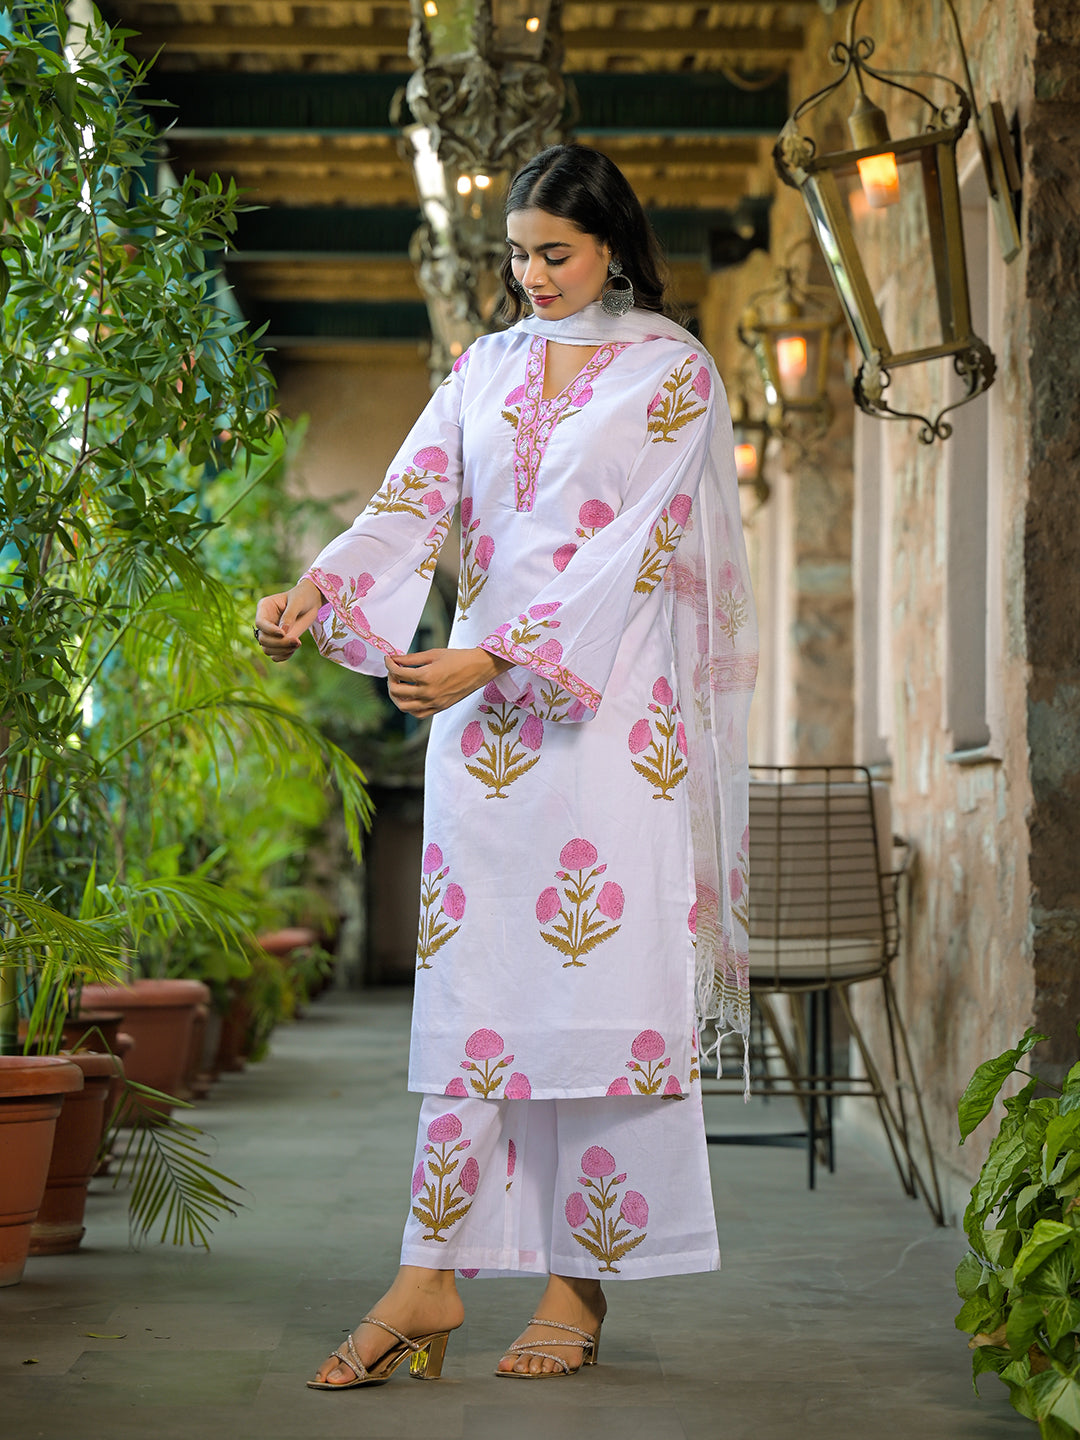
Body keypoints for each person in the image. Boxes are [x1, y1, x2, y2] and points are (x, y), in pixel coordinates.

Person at [254, 142, 758, 1387]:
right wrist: (319, 590)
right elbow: (411, 501)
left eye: (556, 253)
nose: (532, 275)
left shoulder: (674, 372)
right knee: (478, 992)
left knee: (602, 990)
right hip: (483, 735)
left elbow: (634, 551)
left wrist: (493, 656)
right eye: (519, 254)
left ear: (612, 245)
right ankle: (429, 1271)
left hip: (611, 726)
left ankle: (578, 1283)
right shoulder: (484, 368)